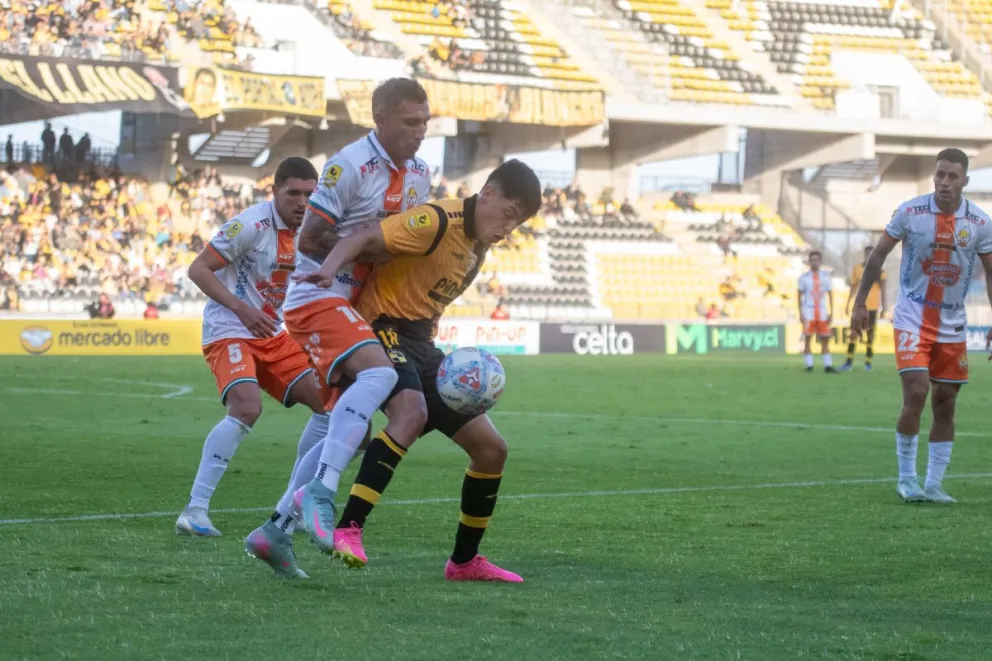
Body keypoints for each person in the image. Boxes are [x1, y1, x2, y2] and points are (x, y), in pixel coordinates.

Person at [296, 159, 543, 583]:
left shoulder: (476, 248)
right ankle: (348, 528)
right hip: (381, 326)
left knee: (491, 449)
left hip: (420, 344)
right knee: (411, 414)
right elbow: (365, 236)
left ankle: (464, 562)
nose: (508, 229)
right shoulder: (435, 220)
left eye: (517, 223)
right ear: (487, 193)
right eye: (508, 214)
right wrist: (328, 268)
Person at [243, 78, 431, 578]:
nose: (421, 132)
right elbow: (310, 239)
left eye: (425, 122)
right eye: (411, 122)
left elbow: (402, 247)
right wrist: (367, 246)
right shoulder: (349, 166)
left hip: (359, 307)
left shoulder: (420, 174)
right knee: (380, 376)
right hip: (317, 295)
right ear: (381, 119)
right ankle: (321, 493)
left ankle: (275, 530)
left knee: (341, 425)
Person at [175, 157, 330, 541]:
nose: (301, 201)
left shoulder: (315, 232)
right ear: (274, 191)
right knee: (246, 407)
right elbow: (198, 269)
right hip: (230, 328)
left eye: (309, 195)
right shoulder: (251, 225)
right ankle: (194, 510)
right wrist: (242, 309)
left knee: (330, 408)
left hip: (272, 333)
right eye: (293, 192)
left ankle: (288, 510)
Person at [852, 148, 992, 504]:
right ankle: (906, 480)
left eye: (953, 176)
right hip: (912, 317)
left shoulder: (979, 222)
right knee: (916, 393)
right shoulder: (910, 212)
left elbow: (991, 272)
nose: (945, 182)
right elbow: (878, 256)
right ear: (934, 175)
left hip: (953, 323)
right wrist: (859, 304)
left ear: (965, 181)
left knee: (946, 402)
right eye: (940, 174)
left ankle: (933, 484)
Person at [841, 245, 886, 372]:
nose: (870, 256)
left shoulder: (880, 271)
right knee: (854, 333)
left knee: (870, 334)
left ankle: (868, 363)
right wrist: (848, 303)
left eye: (872, 254)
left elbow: (883, 290)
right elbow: (853, 287)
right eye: (868, 254)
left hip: (872, 307)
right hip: (859, 306)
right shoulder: (857, 269)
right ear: (865, 255)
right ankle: (848, 363)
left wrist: (884, 307)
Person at [797, 251, 835, 373]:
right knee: (808, 339)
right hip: (809, 312)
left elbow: (830, 294)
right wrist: (800, 313)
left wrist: (831, 312)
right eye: (812, 260)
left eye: (817, 260)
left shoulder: (825, 277)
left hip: (823, 312)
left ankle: (827, 366)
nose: (815, 263)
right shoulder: (804, 278)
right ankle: (809, 366)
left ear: (820, 261)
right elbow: (799, 296)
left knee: (825, 339)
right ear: (809, 262)